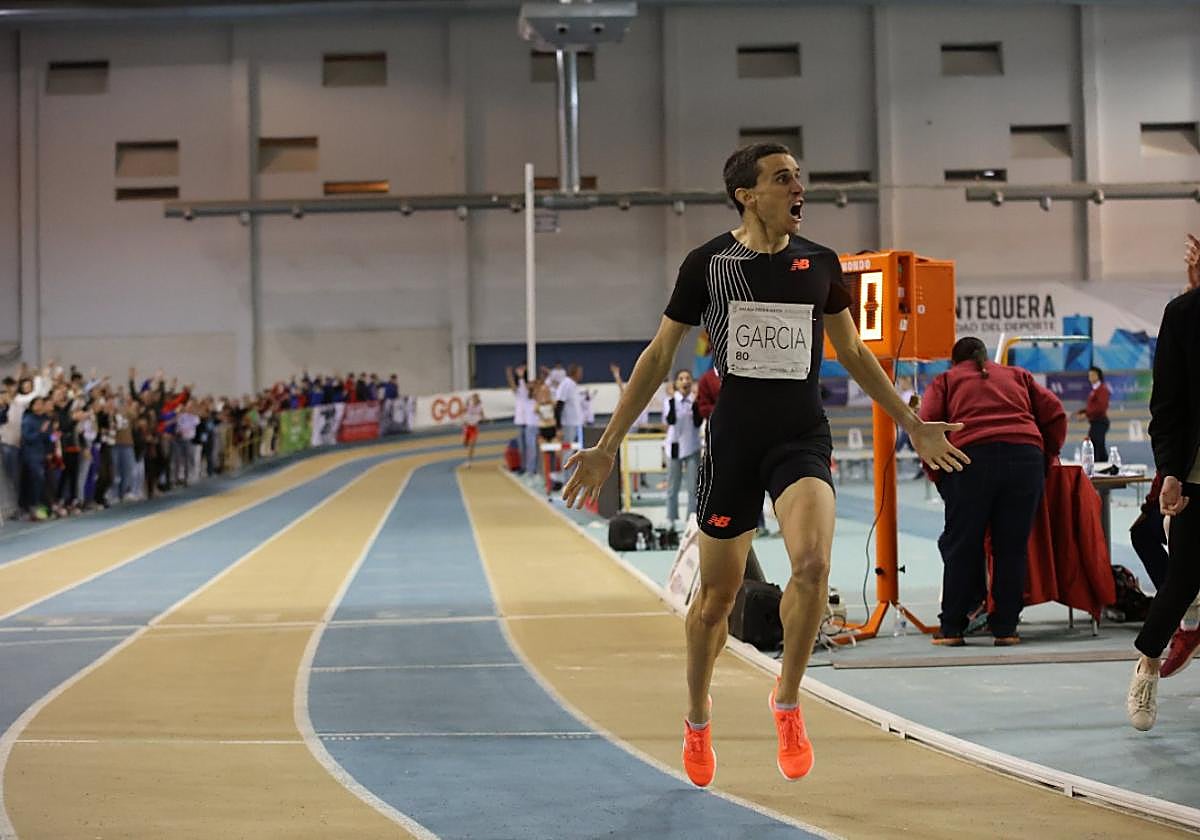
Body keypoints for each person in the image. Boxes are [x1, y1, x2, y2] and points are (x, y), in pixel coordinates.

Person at [561, 142, 966, 787]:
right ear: (748, 195)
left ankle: (787, 699)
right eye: (783, 179)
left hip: (802, 435)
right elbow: (660, 355)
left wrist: (911, 423)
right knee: (717, 598)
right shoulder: (707, 264)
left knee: (811, 565)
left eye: (799, 177)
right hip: (734, 444)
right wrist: (608, 443)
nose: (798, 187)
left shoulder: (821, 264)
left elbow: (855, 354)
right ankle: (697, 716)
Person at [918, 336, 1067, 646]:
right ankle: (1006, 628)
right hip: (1024, 460)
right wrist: (1045, 456)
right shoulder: (1018, 376)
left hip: (969, 462)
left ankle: (952, 628)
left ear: (955, 361)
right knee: (1011, 548)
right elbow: (1054, 412)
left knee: (962, 545)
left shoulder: (946, 380)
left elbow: (927, 426)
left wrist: (939, 475)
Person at [1127, 235, 1200, 730]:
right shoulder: (1184, 315)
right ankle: (1147, 663)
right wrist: (1170, 472)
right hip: (1196, 474)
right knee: (1184, 581)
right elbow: (1167, 405)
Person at [663, 369, 702, 529]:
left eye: (687, 378)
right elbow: (670, 420)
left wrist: (695, 401)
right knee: (673, 486)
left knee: (693, 486)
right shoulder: (669, 401)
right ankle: (671, 519)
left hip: (692, 446)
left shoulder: (695, 401)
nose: (685, 381)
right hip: (674, 447)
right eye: (681, 378)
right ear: (676, 383)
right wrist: (673, 399)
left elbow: (698, 423)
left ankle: (691, 520)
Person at [1075, 366, 1110, 457]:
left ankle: (1099, 466)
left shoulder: (1102, 389)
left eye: (1092, 375)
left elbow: (1101, 407)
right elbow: (1093, 406)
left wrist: (1086, 414)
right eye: (1089, 375)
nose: (1090, 377)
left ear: (1098, 376)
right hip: (1095, 422)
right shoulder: (1094, 390)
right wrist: (1081, 412)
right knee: (1099, 447)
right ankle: (1103, 465)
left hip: (1100, 422)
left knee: (1095, 446)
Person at [462, 393, 484, 468]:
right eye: (474, 398)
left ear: (478, 399)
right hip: (467, 427)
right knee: (465, 443)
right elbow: (463, 410)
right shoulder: (469, 405)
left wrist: (481, 419)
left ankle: (469, 462)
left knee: (472, 445)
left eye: (476, 398)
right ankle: (466, 443)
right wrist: (464, 419)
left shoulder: (480, 407)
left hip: (474, 428)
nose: (475, 400)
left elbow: (482, 416)